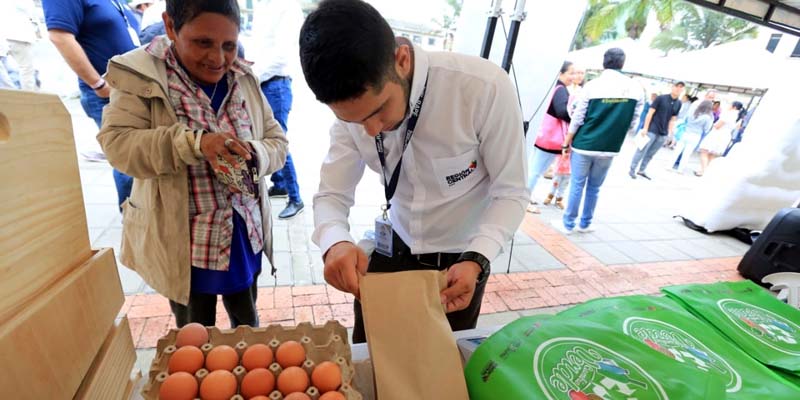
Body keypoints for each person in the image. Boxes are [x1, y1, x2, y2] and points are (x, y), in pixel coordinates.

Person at [300, 0, 528, 343]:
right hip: (392, 244)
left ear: (402, 60)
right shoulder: (354, 114)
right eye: (354, 120)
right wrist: (335, 242)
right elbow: (332, 194)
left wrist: (478, 258)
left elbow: (511, 191)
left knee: (441, 367)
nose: (372, 130)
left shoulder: (483, 89)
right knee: (373, 354)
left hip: (459, 263)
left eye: (378, 110)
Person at [97, 0, 288, 327]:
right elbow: (118, 144)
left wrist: (253, 153)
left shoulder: (242, 75)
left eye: (229, 45)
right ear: (170, 26)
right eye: (203, 43)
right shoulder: (141, 74)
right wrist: (195, 143)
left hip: (243, 231)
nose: (218, 59)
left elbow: (277, 141)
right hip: (186, 243)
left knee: (247, 326)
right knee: (196, 337)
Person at [43, 0, 141, 209]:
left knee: (141, 159)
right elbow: (60, 36)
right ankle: (134, 227)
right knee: (128, 163)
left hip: (134, 91)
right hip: (109, 94)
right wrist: (98, 84)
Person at [556, 48, 644, 234]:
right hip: (610, 147)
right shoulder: (635, 88)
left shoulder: (593, 85)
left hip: (584, 144)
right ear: (622, 63)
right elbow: (634, 121)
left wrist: (567, 141)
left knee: (577, 185)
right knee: (594, 188)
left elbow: (578, 116)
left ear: (604, 62)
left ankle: (568, 224)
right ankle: (585, 224)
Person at [252, 0, 306, 219]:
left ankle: (296, 198)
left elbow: (281, 55)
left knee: (277, 141)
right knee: (265, 136)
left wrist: (253, 76)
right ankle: (280, 185)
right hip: (264, 81)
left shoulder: (287, 7)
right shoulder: (264, 6)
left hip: (275, 83)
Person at [527, 61, 574, 214]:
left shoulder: (554, 86)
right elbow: (561, 111)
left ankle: (525, 197)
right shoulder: (560, 89)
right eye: (571, 73)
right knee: (536, 170)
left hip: (544, 136)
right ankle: (523, 200)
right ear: (560, 73)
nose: (573, 77)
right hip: (550, 139)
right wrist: (574, 117)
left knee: (534, 168)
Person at [628, 81, 684, 180]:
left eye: (681, 87)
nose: (678, 89)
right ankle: (632, 169)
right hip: (651, 129)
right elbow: (650, 113)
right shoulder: (661, 98)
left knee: (651, 153)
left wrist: (670, 133)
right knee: (642, 150)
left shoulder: (679, 103)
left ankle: (642, 170)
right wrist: (645, 128)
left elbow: (673, 119)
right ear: (672, 87)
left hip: (663, 133)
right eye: (677, 86)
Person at [695, 101, 743, 176]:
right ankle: (705, 171)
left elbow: (718, 126)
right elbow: (737, 127)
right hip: (726, 136)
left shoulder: (729, 114)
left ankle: (703, 171)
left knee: (704, 151)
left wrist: (713, 124)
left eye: (730, 104)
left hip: (718, 134)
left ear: (734, 107)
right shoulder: (739, 117)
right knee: (712, 154)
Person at [671, 100, 713, 173]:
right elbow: (707, 129)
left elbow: (685, 120)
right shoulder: (707, 117)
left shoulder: (692, 112)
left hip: (685, 133)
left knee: (677, 150)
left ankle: (669, 165)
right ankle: (680, 169)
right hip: (695, 136)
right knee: (687, 154)